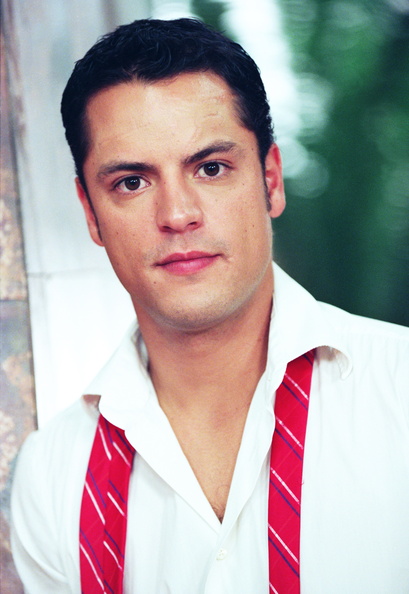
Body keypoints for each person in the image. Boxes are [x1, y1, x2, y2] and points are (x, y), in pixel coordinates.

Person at [11, 18, 409, 594]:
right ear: (91, 213)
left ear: (271, 180)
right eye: (132, 182)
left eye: (211, 168)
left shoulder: (400, 392)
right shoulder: (52, 478)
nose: (177, 214)